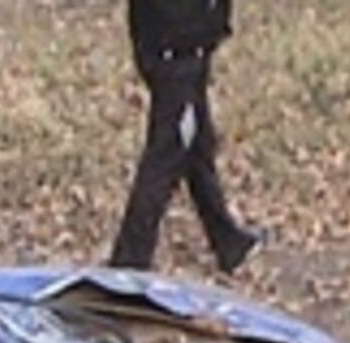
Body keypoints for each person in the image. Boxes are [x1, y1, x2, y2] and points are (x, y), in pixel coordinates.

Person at [109, 0, 265, 273]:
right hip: (177, 50)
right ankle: (129, 261)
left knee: (197, 146)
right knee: (166, 154)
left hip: (184, 46)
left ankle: (228, 241)